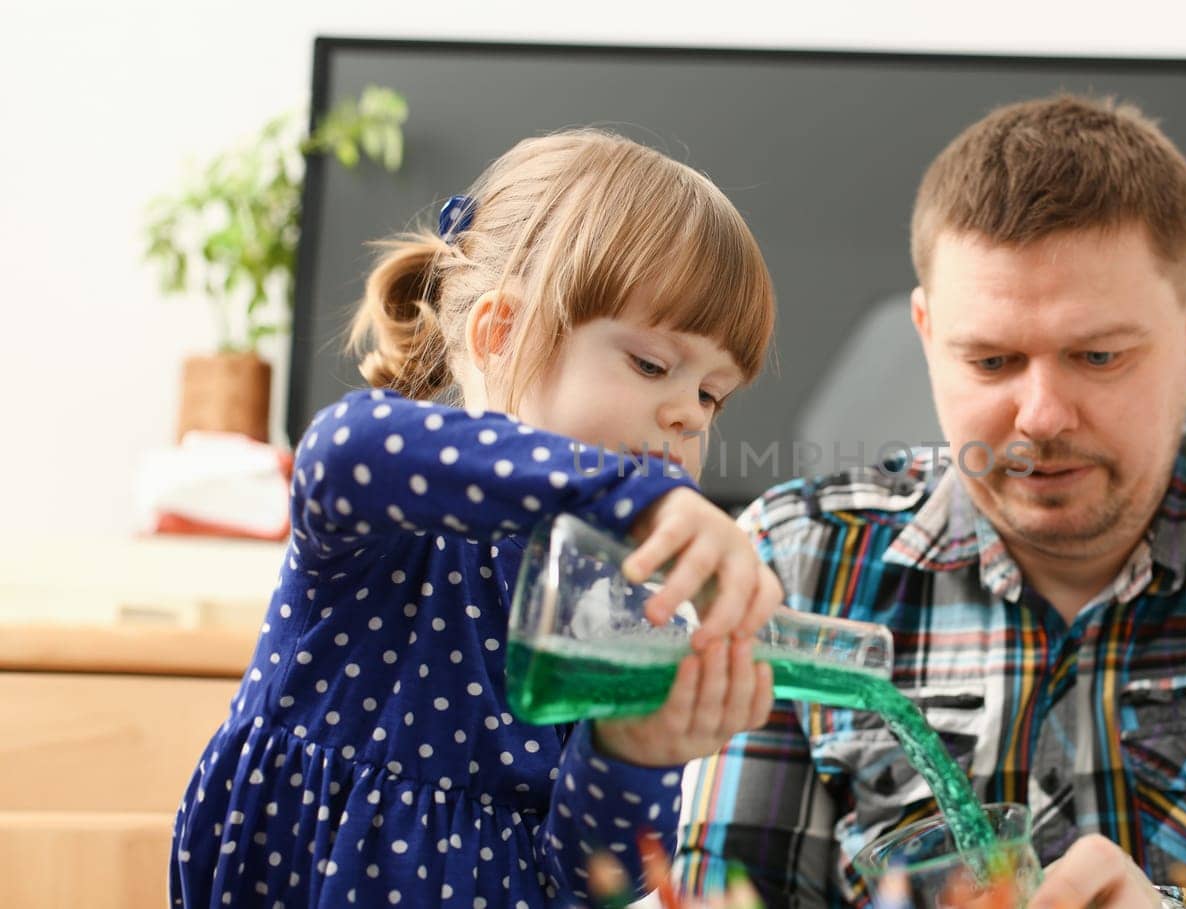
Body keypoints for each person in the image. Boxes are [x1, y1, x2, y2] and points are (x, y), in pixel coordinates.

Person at [677, 95, 1186, 908]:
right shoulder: (795, 558)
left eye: (1098, 355)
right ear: (927, 339)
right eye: (990, 361)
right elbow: (718, 895)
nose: (1043, 416)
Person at [171, 129, 784, 908]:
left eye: (711, 396)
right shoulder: (395, 516)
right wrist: (627, 493)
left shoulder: (607, 605)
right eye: (654, 365)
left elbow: (584, 880)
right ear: (498, 333)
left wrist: (639, 751)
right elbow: (342, 446)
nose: (685, 416)